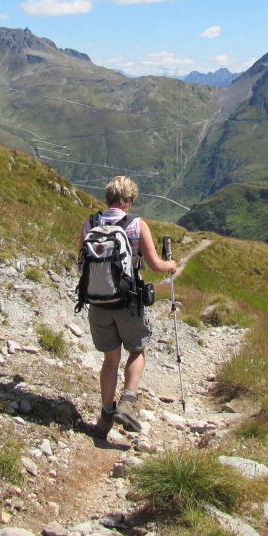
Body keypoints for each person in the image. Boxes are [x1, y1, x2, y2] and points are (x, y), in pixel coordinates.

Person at [80, 176, 177, 441]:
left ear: (108, 197)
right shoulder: (136, 224)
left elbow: (81, 260)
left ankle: (105, 417)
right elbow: (155, 265)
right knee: (137, 349)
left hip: (98, 303)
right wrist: (170, 266)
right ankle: (127, 402)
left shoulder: (90, 224)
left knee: (110, 359)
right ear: (129, 199)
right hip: (129, 303)